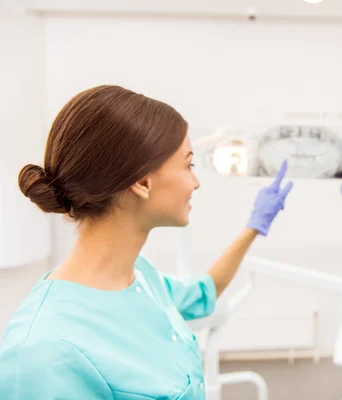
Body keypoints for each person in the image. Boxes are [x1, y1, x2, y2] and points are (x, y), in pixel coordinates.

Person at [0, 85, 293, 399]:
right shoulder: (44, 351)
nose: (196, 182)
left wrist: (254, 226)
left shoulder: (141, 277)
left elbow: (205, 292)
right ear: (142, 182)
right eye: (188, 165)